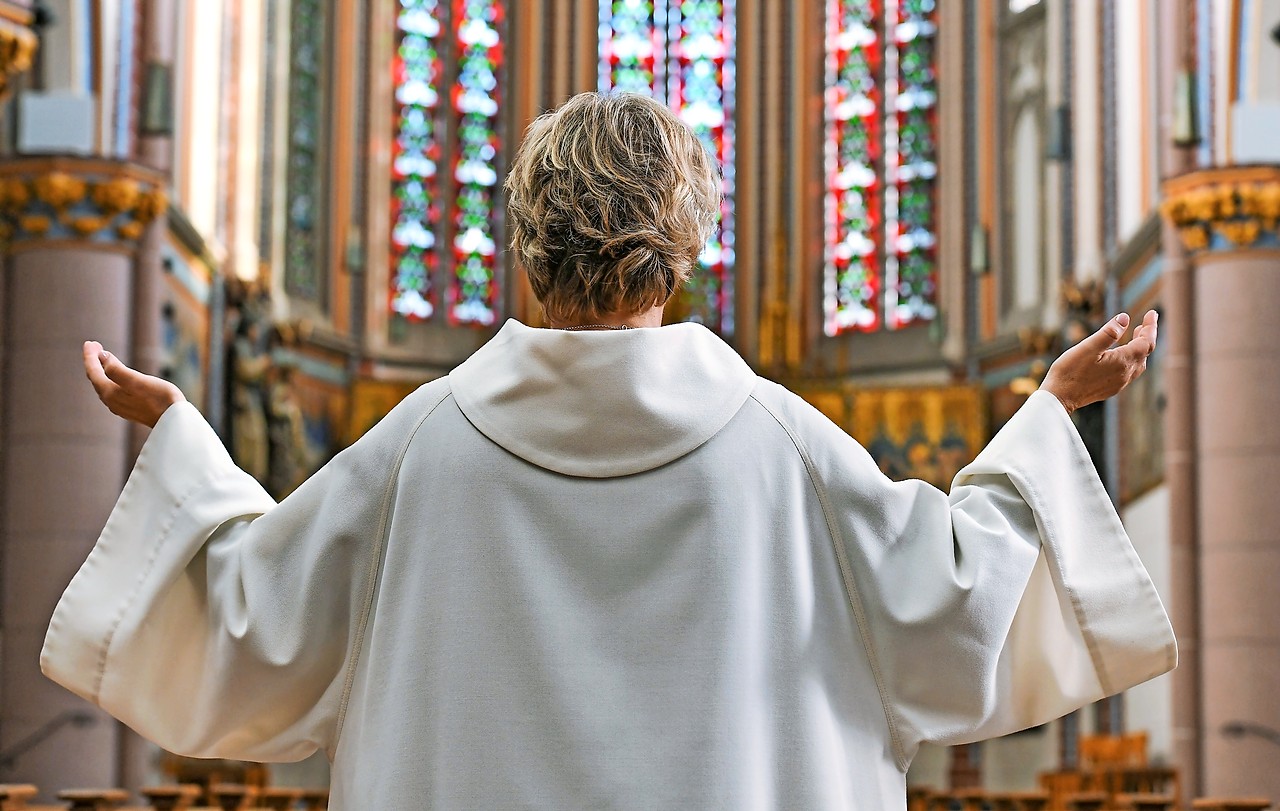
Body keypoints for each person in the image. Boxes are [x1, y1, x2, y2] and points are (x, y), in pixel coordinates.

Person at [42, 92, 1173, 810]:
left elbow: (249, 612)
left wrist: (183, 444)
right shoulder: (781, 444)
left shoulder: (421, 446)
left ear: (525, 256)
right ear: (680, 257)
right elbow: (959, 595)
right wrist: (1047, 409)